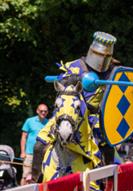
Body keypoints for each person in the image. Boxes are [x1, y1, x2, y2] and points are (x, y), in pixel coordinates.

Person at [32, 31, 119, 181]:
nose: (102, 59)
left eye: (106, 56)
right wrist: (75, 78)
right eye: (99, 54)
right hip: (69, 112)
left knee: (106, 147)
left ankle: (107, 186)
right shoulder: (74, 66)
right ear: (92, 51)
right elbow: (62, 88)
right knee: (39, 145)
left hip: (94, 118)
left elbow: (115, 99)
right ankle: (34, 183)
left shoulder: (113, 73)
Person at [20, 103, 48, 185]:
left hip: (43, 155)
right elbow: (23, 137)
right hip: (29, 153)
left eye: (45, 111)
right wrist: (22, 152)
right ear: (37, 111)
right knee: (26, 176)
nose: (43, 113)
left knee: (40, 177)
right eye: (41, 111)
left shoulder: (49, 123)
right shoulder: (29, 121)